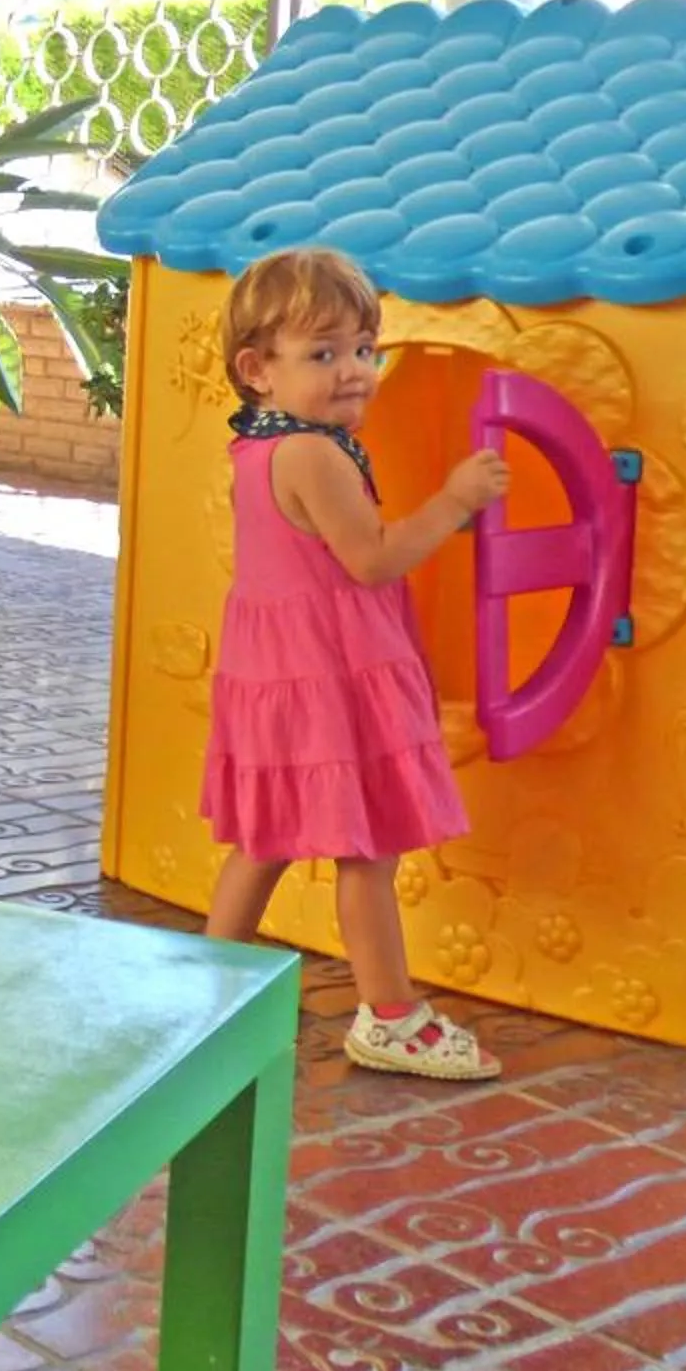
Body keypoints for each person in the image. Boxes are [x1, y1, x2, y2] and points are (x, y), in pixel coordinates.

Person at [201, 245, 511, 1082]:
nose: (355, 372)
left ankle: (207, 988)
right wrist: (456, 500)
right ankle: (391, 1015)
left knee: (263, 838)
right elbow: (371, 559)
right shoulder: (313, 455)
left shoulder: (263, 446)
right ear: (257, 370)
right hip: (329, 673)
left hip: (283, 669)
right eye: (324, 353)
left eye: (364, 350)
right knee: (367, 849)